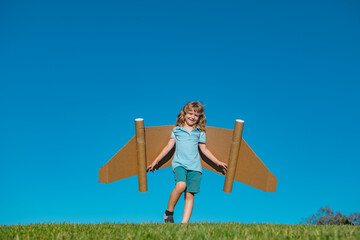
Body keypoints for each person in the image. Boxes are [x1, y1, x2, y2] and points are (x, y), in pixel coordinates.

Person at [147, 101, 228, 223]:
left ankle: (184, 225)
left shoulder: (200, 133)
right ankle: (168, 213)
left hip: (195, 168)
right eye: (190, 113)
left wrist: (218, 162)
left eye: (196, 115)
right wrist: (155, 162)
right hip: (179, 164)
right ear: (184, 114)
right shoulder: (177, 130)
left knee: (190, 195)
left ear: (200, 118)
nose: (192, 117)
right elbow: (168, 147)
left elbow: (204, 150)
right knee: (181, 186)